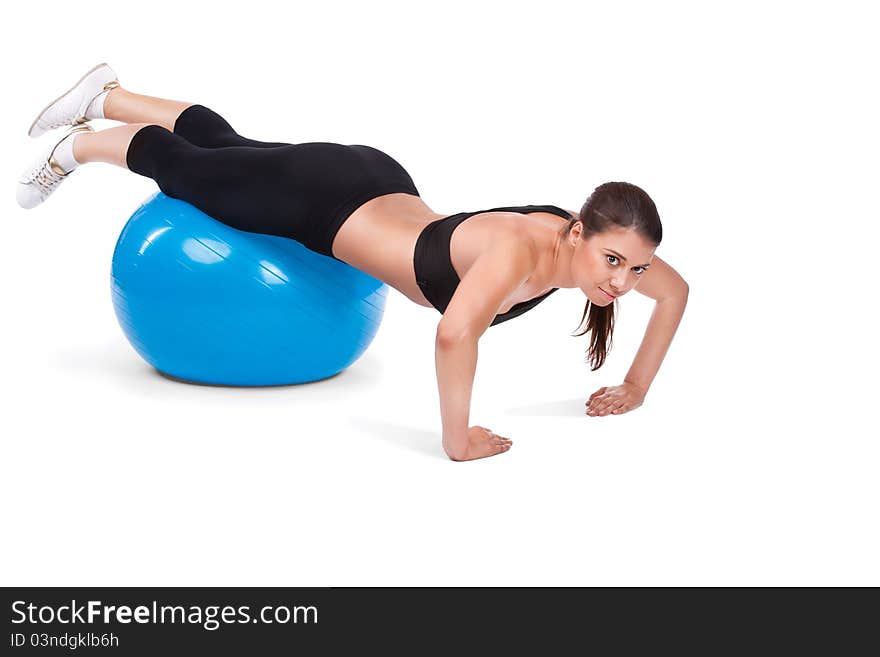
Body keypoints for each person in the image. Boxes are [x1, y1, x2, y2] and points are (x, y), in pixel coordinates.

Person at [17, 63, 689, 462]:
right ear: (577, 232)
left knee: (229, 147)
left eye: (633, 268)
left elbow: (677, 293)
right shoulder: (517, 251)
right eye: (612, 260)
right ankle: (78, 149)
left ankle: (106, 92)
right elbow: (456, 331)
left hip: (374, 181)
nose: (621, 281)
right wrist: (457, 439)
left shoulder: (589, 254)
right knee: (188, 168)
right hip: (324, 202)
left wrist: (637, 386)